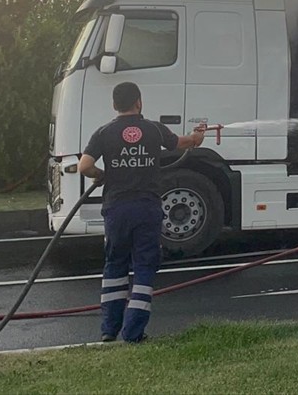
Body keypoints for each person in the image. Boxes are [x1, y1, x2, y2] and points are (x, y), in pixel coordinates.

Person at [78, 81, 205, 343]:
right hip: (147, 208)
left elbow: (84, 166)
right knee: (144, 267)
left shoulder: (104, 133)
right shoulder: (153, 129)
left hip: (116, 209)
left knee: (115, 264)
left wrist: (100, 175)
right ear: (139, 102)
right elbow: (182, 143)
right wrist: (196, 137)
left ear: (114, 105)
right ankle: (134, 332)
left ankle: (108, 329)